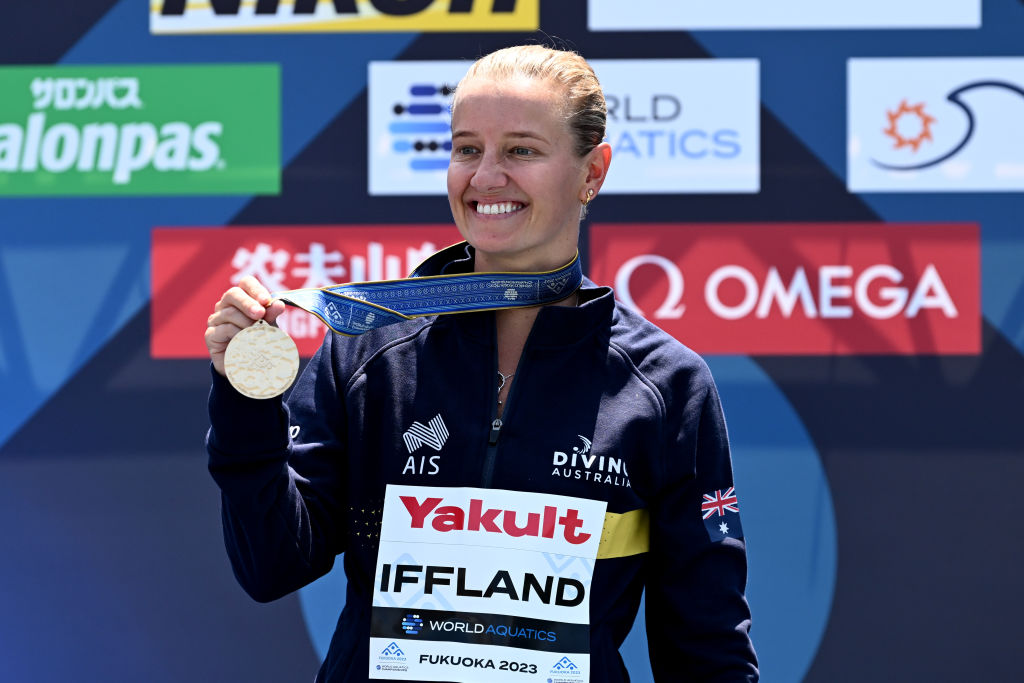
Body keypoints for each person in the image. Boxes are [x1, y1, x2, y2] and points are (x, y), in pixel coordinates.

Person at [204, 44, 758, 682]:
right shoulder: (368, 352)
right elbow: (272, 565)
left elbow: (708, 645)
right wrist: (244, 400)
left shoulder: (665, 385)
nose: (486, 176)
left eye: (521, 150)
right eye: (468, 149)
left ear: (592, 173)